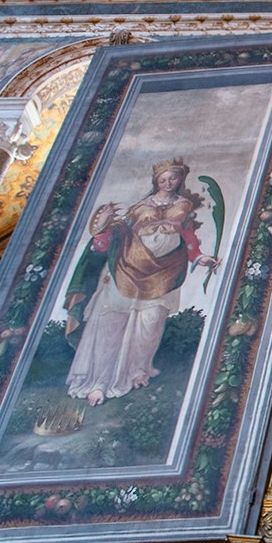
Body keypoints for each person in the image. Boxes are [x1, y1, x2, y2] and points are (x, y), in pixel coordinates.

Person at [64, 157, 220, 406]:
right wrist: (103, 230)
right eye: (163, 179)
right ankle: (98, 381)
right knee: (110, 323)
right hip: (127, 267)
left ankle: (137, 370)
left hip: (165, 271)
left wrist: (198, 256)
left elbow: (188, 236)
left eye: (173, 178)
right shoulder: (139, 206)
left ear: (179, 179)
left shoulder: (184, 205)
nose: (168, 182)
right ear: (156, 181)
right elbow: (120, 232)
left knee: (151, 322)